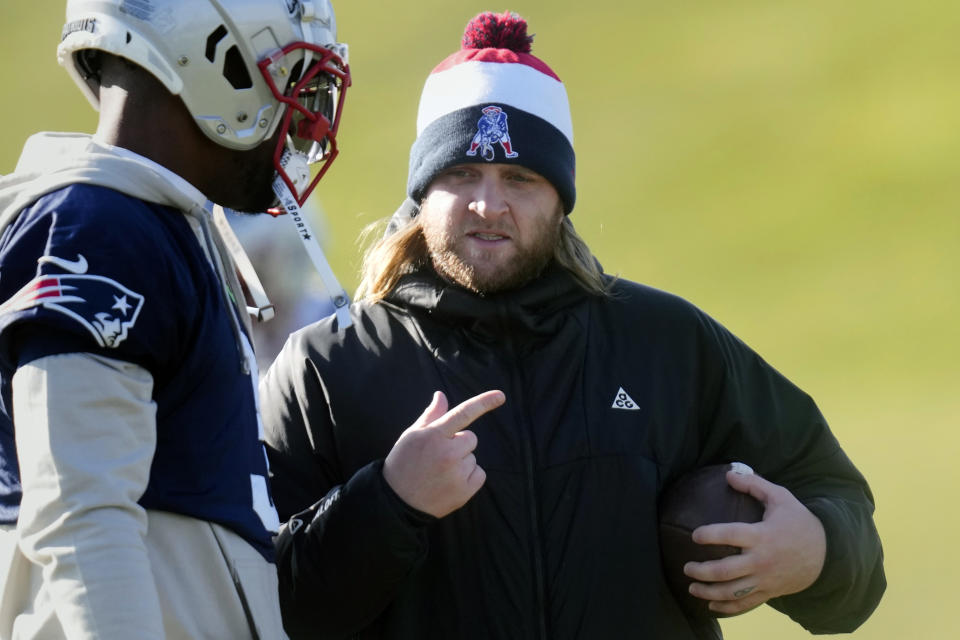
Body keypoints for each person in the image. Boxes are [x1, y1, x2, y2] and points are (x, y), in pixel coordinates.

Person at [260, 11, 885, 640]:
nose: (488, 204)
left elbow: (835, 496)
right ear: (423, 192)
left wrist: (818, 553)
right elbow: (254, 600)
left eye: (520, 178)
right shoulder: (324, 369)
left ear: (561, 198)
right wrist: (389, 502)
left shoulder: (666, 343)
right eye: (461, 173)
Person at [0, 0, 350, 638]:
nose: (303, 121)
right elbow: (81, 514)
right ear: (217, 58)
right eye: (291, 77)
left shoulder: (152, 225)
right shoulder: (103, 229)